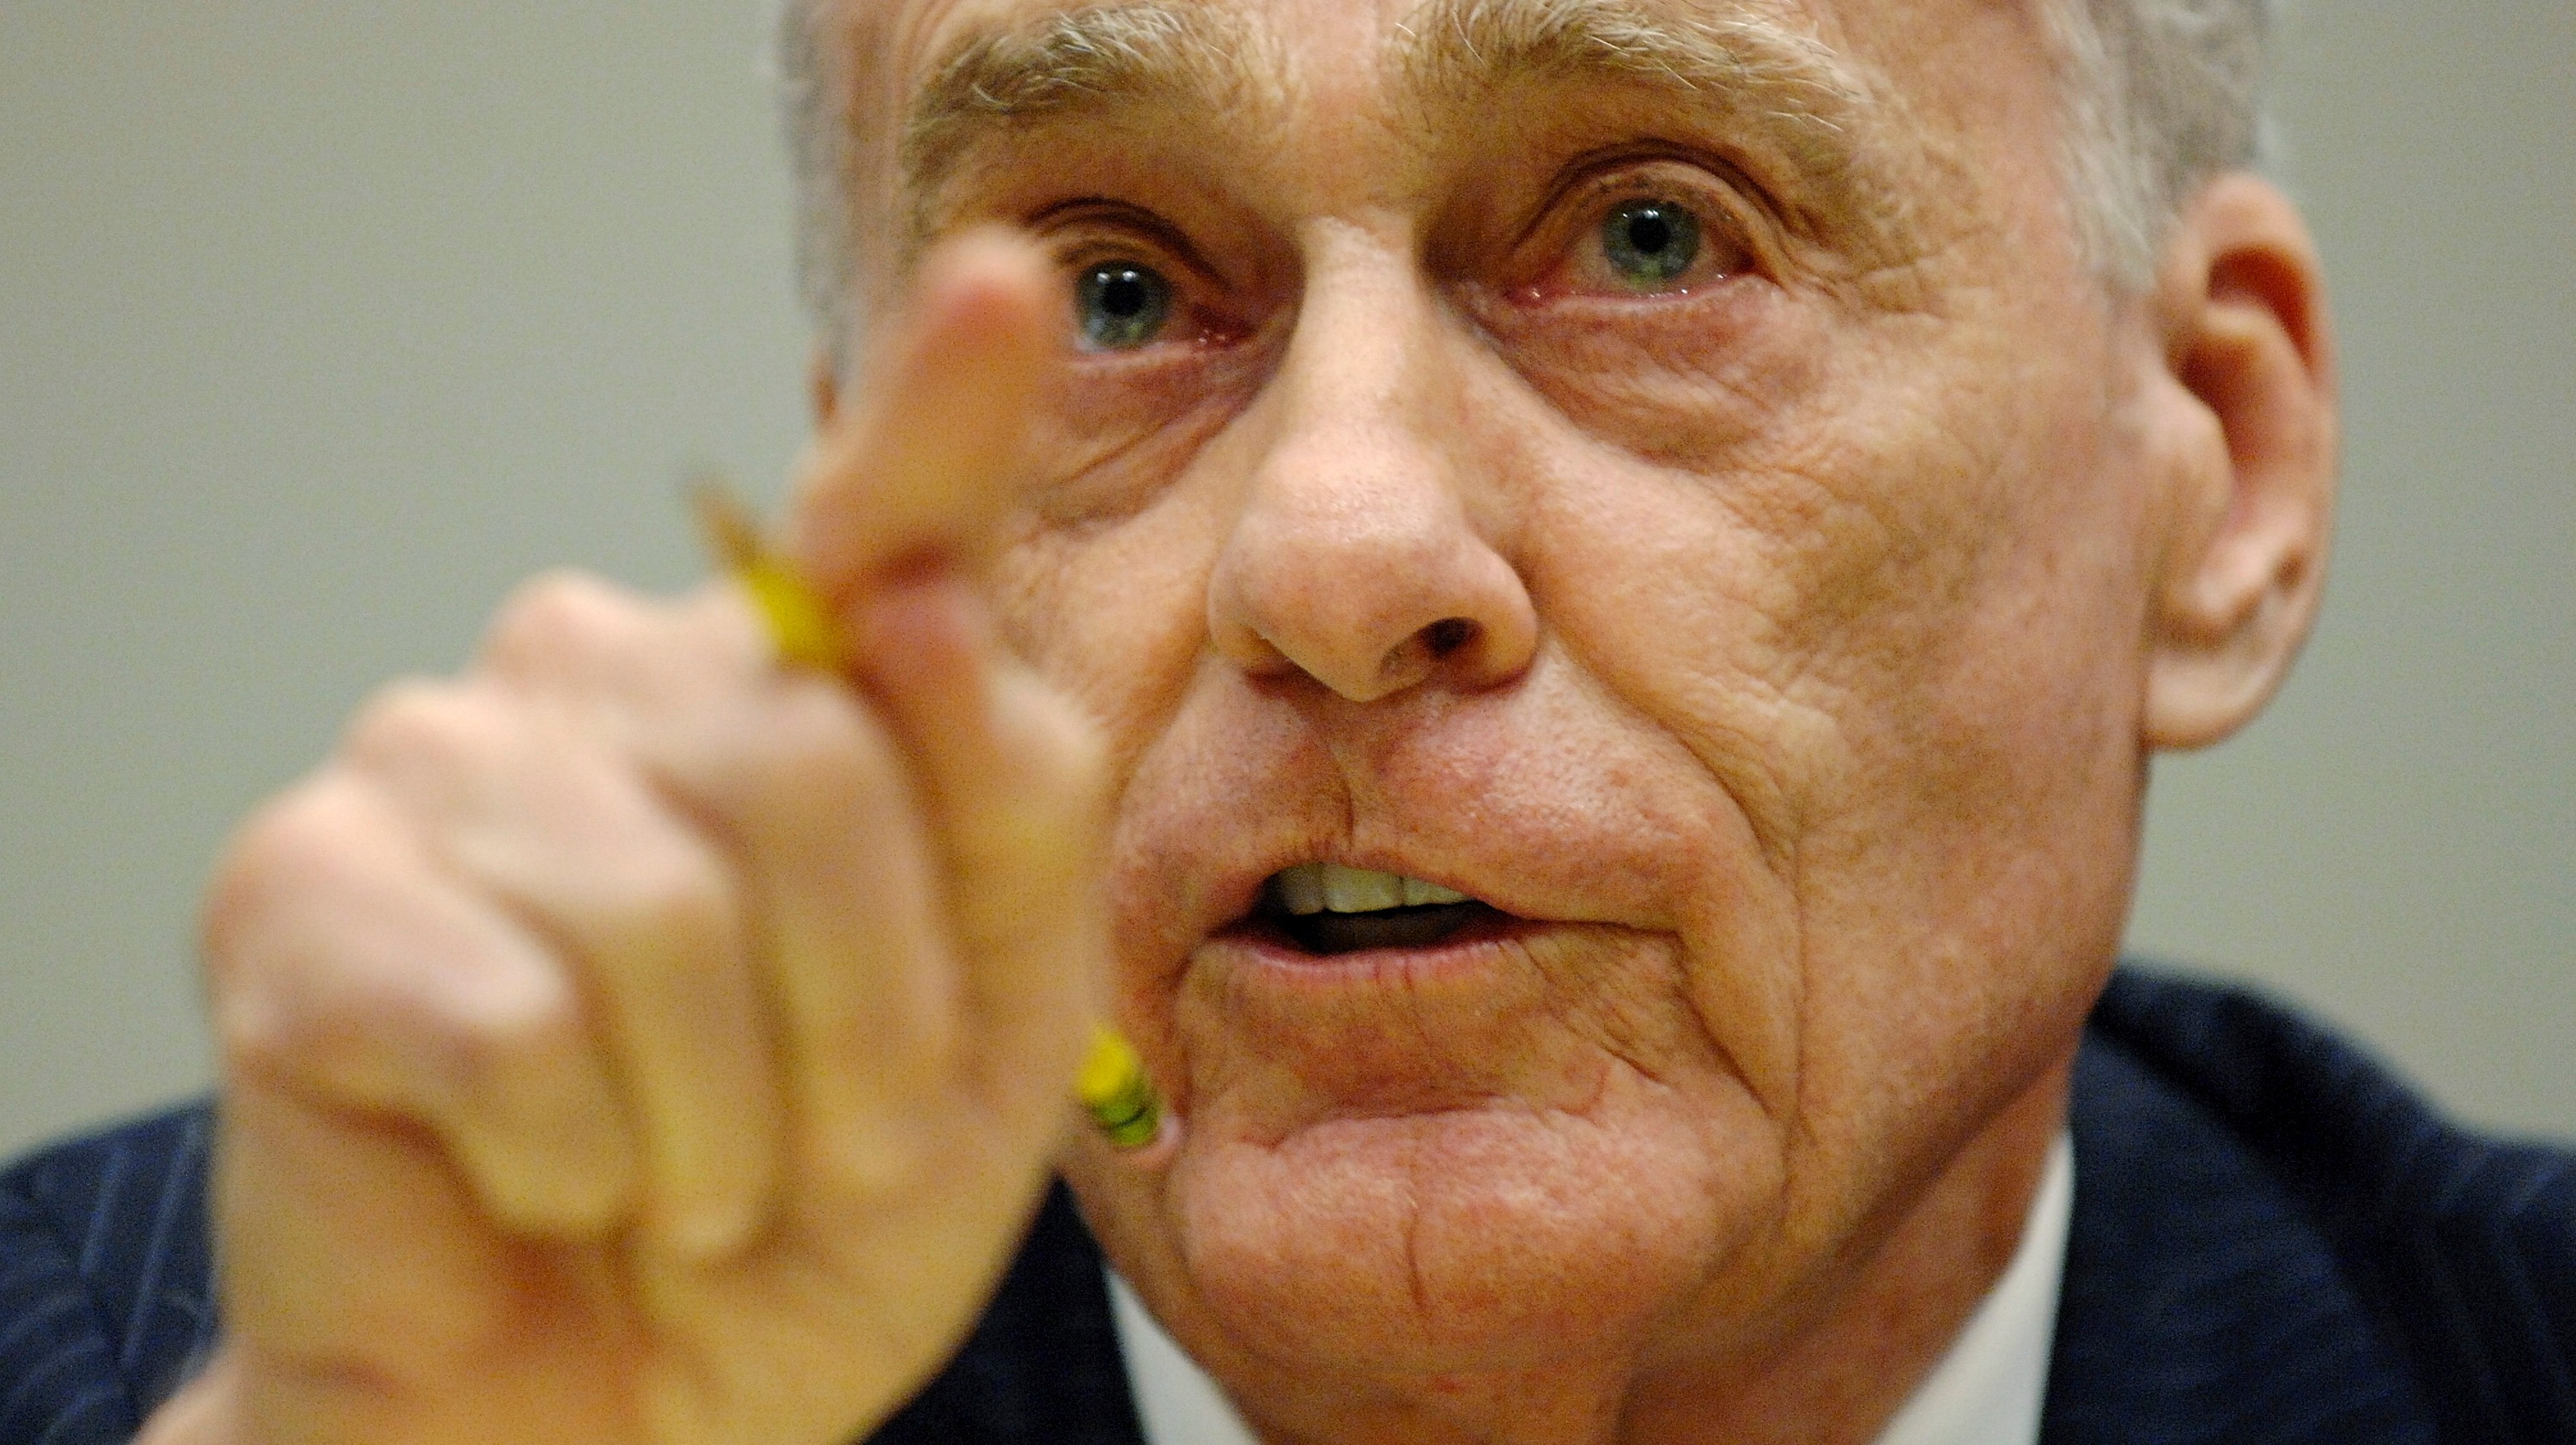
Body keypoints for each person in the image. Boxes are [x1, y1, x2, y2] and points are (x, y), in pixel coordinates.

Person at [2, 0, 2569, 1442]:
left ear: (2215, 462)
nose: (1333, 558)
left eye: (1648, 236)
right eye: (1112, 297)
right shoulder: (169, 1371)